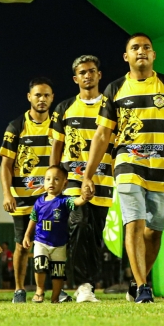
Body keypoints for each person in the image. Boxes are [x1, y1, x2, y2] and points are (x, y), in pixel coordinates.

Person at [81, 32, 164, 304]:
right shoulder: (114, 89)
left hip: (161, 167)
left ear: (153, 55)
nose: (141, 51)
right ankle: (143, 287)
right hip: (128, 163)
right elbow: (102, 135)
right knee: (134, 223)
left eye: (146, 47)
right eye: (135, 47)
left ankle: (137, 281)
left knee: (154, 230)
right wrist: (88, 175)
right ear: (126, 56)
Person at [50, 54, 112, 303]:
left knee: (95, 235)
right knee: (79, 223)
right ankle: (82, 283)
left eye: (92, 71)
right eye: (82, 72)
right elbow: (57, 146)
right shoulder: (64, 108)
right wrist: (53, 178)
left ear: (99, 75)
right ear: (75, 78)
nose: (88, 75)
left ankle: (88, 285)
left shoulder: (111, 106)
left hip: (103, 179)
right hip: (73, 179)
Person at [0, 76, 54, 303]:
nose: (42, 99)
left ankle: (54, 290)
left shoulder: (58, 125)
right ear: (29, 97)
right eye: (38, 95)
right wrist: (7, 193)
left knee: (53, 244)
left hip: (50, 198)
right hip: (22, 197)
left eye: (46, 95)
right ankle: (19, 289)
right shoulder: (16, 126)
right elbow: (6, 165)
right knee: (22, 245)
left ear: (52, 98)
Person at [21, 165, 88, 303]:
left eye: (56, 179)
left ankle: (55, 297)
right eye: (48, 179)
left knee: (58, 272)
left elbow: (76, 201)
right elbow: (33, 219)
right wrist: (27, 235)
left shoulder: (64, 201)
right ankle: (39, 291)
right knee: (40, 265)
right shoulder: (39, 202)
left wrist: (84, 198)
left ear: (65, 183)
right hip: (41, 241)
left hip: (59, 244)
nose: (51, 182)